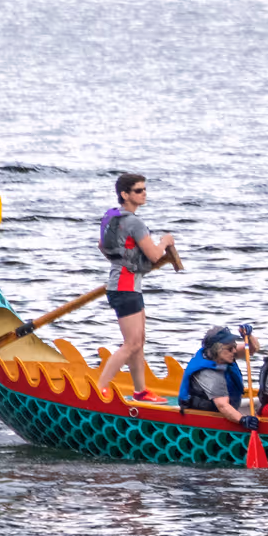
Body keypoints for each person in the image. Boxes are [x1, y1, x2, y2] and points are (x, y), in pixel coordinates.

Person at [94, 173, 176, 403]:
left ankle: (140, 391)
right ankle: (99, 389)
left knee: (139, 342)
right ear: (125, 195)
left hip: (123, 285)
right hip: (125, 288)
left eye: (144, 189)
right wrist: (165, 241)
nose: (144, 193)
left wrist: (123, 260)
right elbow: (153, 254)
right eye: (139, 190)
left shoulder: (111, 218)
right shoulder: (135, 222)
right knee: (131, 343)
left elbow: (102, 246)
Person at [177, 325, 259, 428]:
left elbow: (251, 349)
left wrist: (248, 336)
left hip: (227, 406)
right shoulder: (209, 375)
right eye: (230, 349)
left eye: (234, 346)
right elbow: (223, 406)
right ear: (217, 349)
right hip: (204, 420)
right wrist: (243, 420)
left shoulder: (223, 353)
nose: (234, 351)